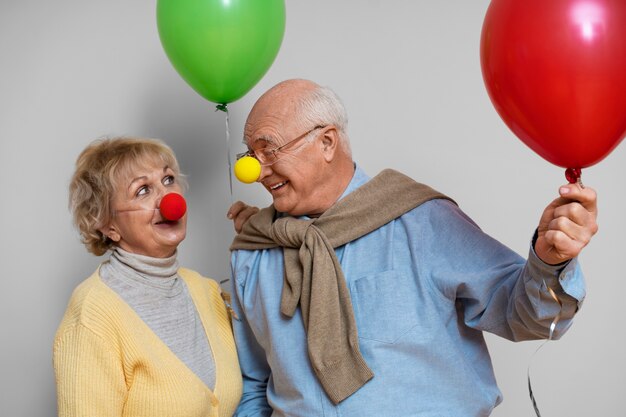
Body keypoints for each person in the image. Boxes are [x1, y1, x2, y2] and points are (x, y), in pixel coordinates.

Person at [226, 79, 598, 416]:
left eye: (269, 151)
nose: (257, 171)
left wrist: (550, 263)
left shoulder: (423, 222)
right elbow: (255, 385)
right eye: (250, 156)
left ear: (326, 142)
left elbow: (525, 315)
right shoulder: (252, 252)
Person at [53, 137, 242, 417]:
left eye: (168, 180)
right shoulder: (93, 314)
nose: (168, 199)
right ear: (108, 225)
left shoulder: (206, 290)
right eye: (142, 190)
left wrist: (261, 239)